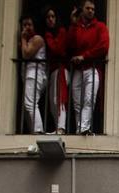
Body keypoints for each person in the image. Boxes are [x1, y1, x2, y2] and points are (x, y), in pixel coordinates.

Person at [67, 0, 109, 134]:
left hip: (92, 68)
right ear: (82, 10)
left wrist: (84, 56)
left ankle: (84, 128)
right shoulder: (77, 27)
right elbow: (69, 46)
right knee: (77, 102)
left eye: (93, 9)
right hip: (78, 70)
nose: (91, 11)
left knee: (89, 99)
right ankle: (80, 129)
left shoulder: (100, 26)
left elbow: (103, 46)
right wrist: (73, 24)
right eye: (88, 8)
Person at [19, 14, 47, 134]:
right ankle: (34, 130)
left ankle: (38, 130)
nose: (27, 27)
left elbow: (26, 54)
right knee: (28, 104)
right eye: (24, 25)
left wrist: (23, 39)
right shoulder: (30, 40)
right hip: (30, 74)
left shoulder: (37, 39)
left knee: (30, 103)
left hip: (34, 73)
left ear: (34, 26)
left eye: (29, 24)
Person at [44, 5, 69, 134]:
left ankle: (61, 128)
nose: (50, 19)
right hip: (53, 70)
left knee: (58, 99)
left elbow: (57, 49)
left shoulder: (61, 31)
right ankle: (58, 126)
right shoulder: (51, 33)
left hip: (60, 69)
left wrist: (48, 37)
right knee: (53, 101)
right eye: (48, 17)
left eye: (53, 16)